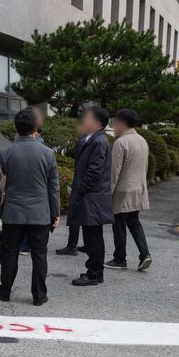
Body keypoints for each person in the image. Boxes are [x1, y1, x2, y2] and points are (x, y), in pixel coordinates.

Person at [0, 107, 60, 305]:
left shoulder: (5, 153)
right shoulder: (48, 154)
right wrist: (55, 214)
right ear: (36, 128)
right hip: (40, 213)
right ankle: (39, 296)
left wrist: (0, 211)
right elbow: (53, 188)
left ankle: (5, 292)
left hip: (12, 212)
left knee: (10, 253)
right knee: (39, 255)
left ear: (15, 128)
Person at [66, 105, 113, 286]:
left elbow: (94, 172)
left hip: (92, 198)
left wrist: (79, 190)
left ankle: (93, 274)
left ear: (96, 122)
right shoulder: (93, 139)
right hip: (92, 197)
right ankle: (95, 272)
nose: (83, 120)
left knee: (93, 238)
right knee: (93, 237)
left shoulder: (98, 141)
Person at [105, 108, 152, 271]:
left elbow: (114, 171)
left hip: (123, 190)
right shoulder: (142, 140)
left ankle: (120, 258)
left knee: (119, 224)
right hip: (139, 187)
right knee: (133, 221)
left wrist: (107, 193)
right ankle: (145, 254)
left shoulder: (121, 142)